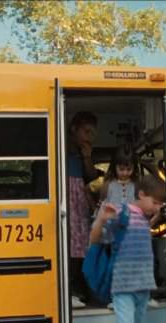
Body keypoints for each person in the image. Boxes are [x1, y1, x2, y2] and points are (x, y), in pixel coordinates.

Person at [89, 175, 166, 323]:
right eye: (155, 203)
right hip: (124, 287)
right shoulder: (122, 214)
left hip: (143, 287)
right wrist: (102, 220)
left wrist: (156, 215)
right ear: (141, 195)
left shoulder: (143, 217)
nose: (157, 208)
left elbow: (142, 227)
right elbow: (96, 238)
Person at [68, 111, 103, 308]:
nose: (89, 137)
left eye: (92, 134)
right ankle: (73, 288)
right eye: (86, 131)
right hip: (68, 198)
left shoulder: (84, 153)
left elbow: (90, 177)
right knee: (72, 245)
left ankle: (81, 289)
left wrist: (87, 156)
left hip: (79, 201)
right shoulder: (63, 146)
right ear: (74, 129)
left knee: (81, 244)